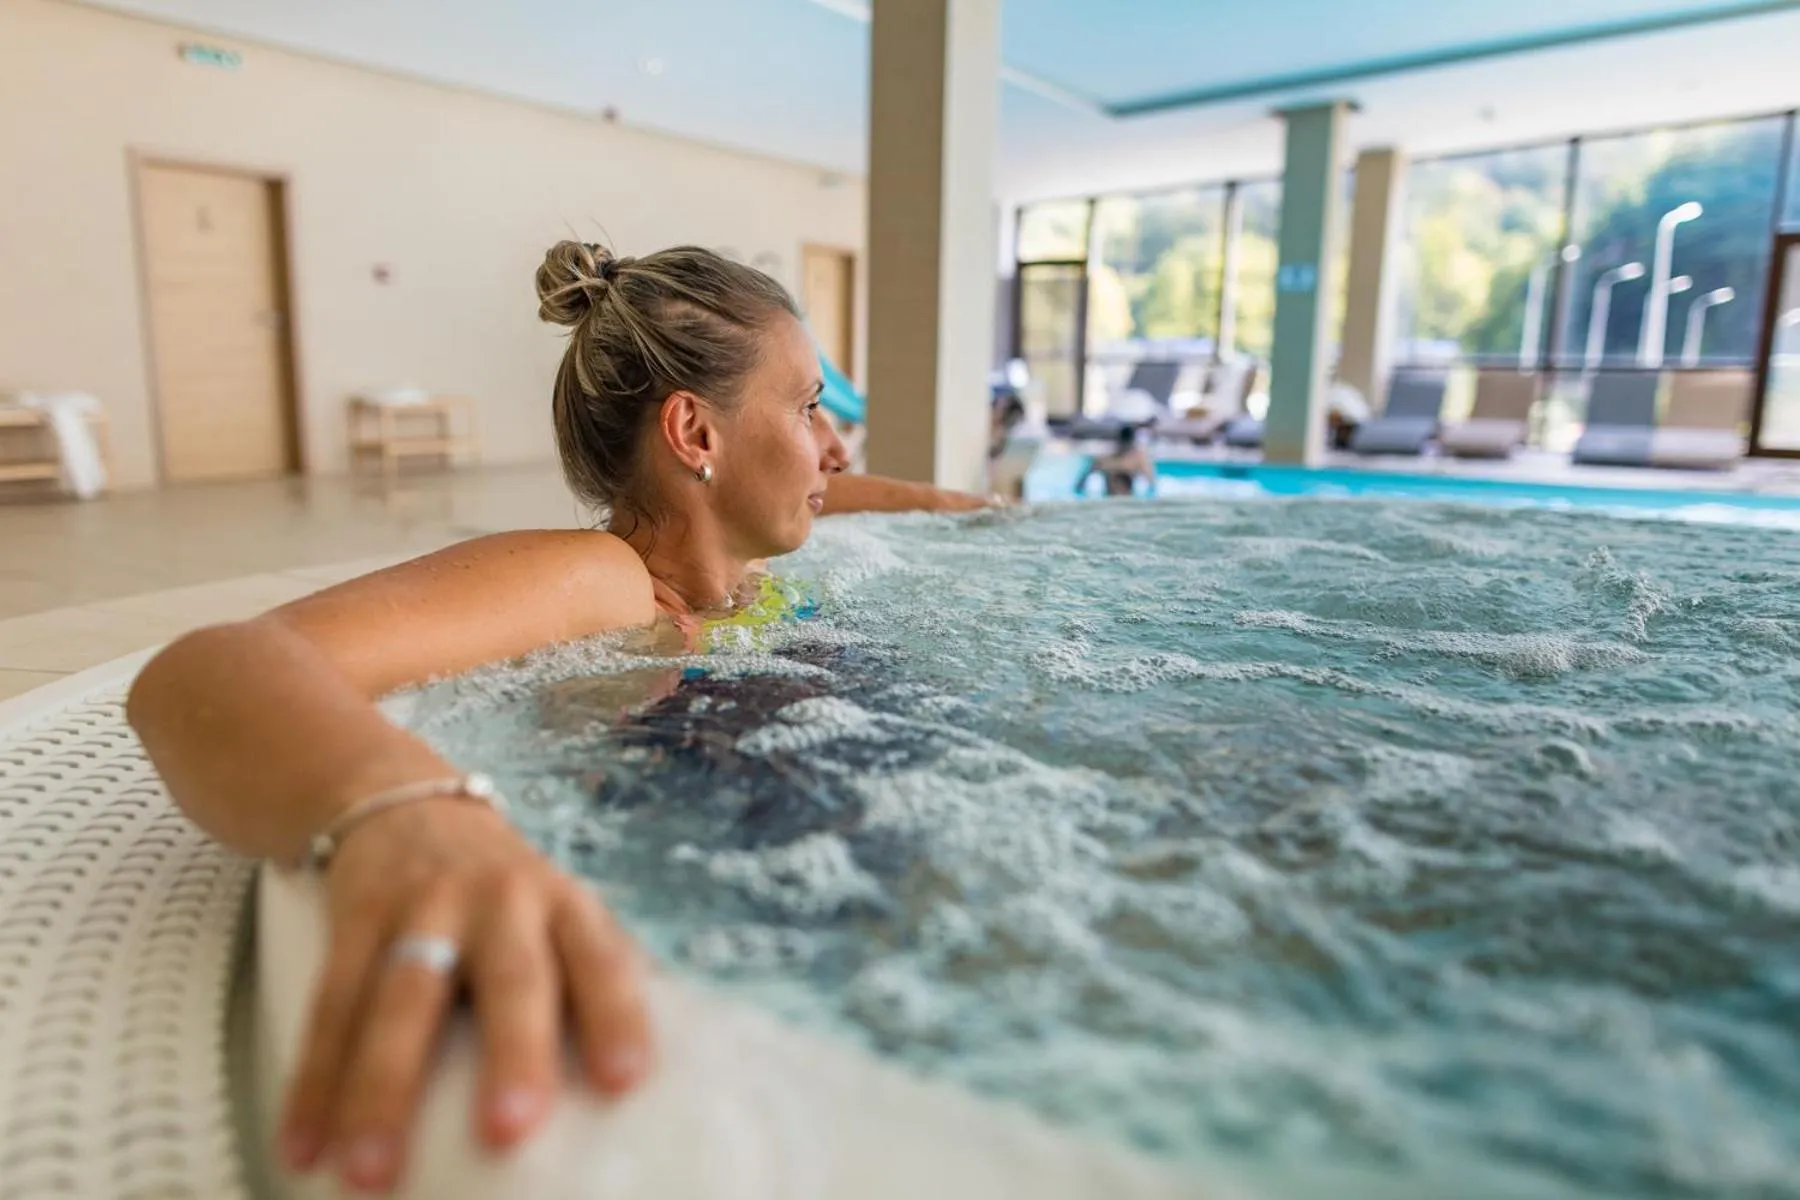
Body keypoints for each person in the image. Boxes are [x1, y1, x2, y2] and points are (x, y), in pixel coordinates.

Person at [125, 242, 990, 1195]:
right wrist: (401, 806)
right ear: (696, 434)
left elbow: (839, 494)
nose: (835, 448)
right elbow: (205, 669)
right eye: (809, 407)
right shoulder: (607, 581)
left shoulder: (737, 578)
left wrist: (954, 507)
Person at [1076, 422, 1156, 497]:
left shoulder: (1138, 459)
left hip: (1122, 499)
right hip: (1113, 498)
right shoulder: (1106, 459)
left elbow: (1152, 484)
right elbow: (1080, 484)